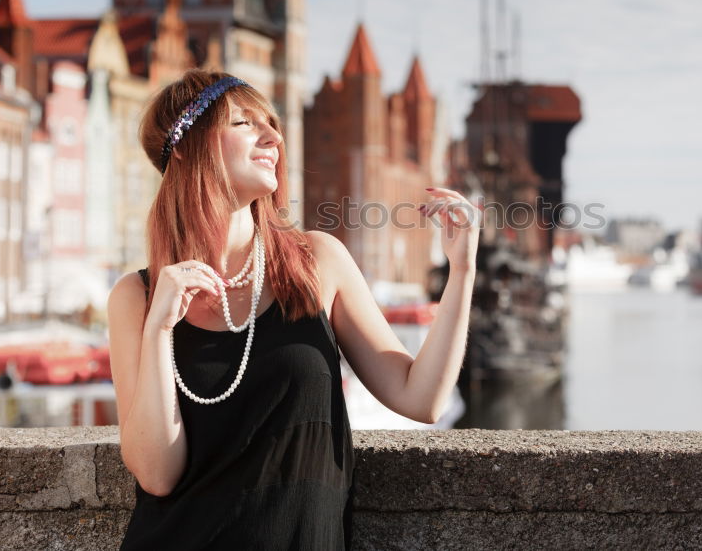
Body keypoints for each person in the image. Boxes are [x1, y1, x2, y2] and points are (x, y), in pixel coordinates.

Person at [107, 69, 480, 550]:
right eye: (243, 123)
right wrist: (159, 329)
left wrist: (463, 270)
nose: (272, 136)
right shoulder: (137, 297)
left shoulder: (318, 262)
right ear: (183, 146)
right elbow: (157, 474)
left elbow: (421, 398)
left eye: (272, 123)